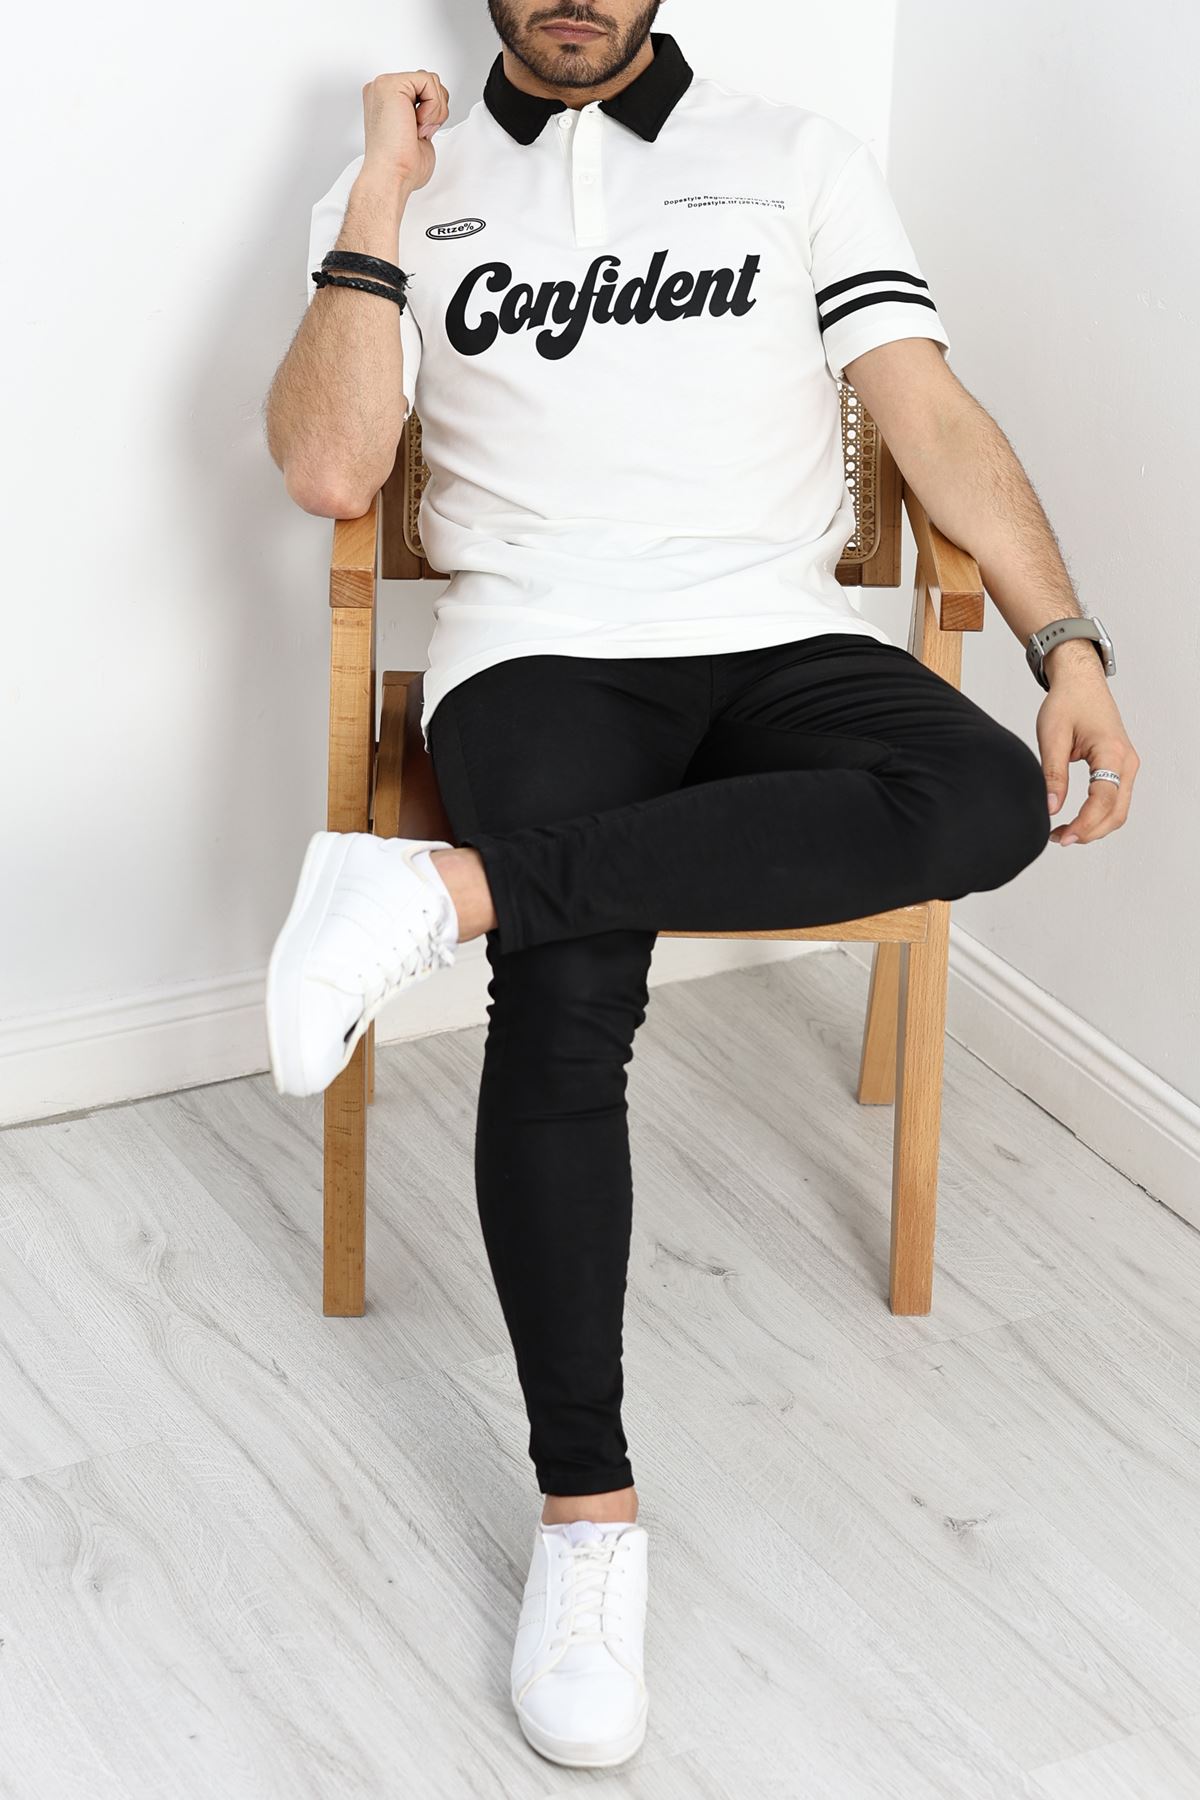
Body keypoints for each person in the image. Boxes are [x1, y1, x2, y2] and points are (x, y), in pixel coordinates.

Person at [263, 4, 1139, 1772]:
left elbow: (927, 413)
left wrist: (1067, 639)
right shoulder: (407, 186)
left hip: (778, 637)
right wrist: (375, 194)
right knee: (570, 988)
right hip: (540, 652)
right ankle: (587, 1518)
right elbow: (332, 470)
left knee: (984, 797)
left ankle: (445, 891)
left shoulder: (793, 156)